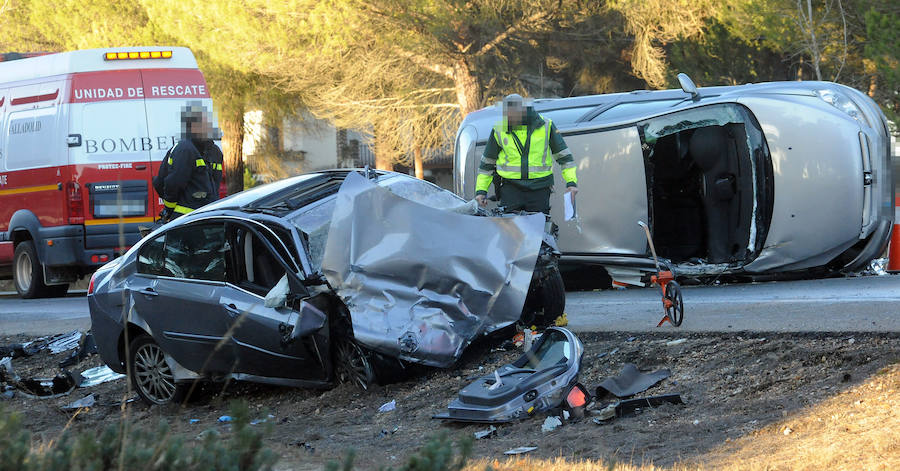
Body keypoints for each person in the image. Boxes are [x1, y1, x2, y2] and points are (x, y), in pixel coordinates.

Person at [474, 94, 577, 214]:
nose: (509, 120)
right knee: (510, 225)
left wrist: (571, 182)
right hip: (510, 189)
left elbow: (565, 158)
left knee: (538, 225)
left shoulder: (546, 126)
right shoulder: (499, 129)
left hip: (539, 189)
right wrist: (481, 191)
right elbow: (487, 164)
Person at [153, 101, 223, 222]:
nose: (209, 127)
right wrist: (169, 210)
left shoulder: (215, 151)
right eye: (205, 124)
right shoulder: (185, 149)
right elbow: (172, 184)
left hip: (208, 217)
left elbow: (215, 186)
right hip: (186, 220)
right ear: (193, 127)